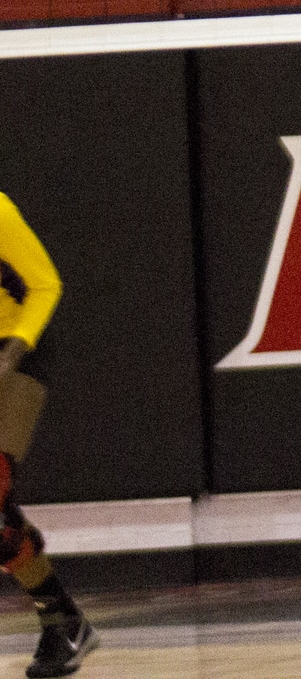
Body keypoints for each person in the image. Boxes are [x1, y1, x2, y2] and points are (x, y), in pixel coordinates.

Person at [0, 195, 92, 677]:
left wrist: (10, 354)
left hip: (16, 351)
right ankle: (65, 620)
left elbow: (44, 283)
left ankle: (63, 622)